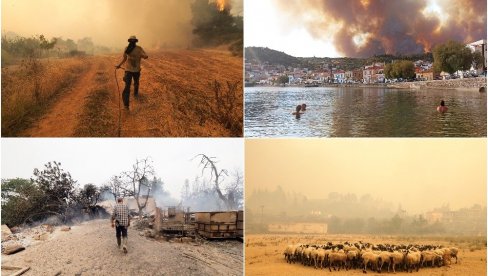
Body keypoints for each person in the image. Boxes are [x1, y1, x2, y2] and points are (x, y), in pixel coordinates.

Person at [116, 35, 148, 110]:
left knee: (136, 83)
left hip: (136, 70)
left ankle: (135, 93)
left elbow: (145, 56)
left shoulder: (139, 48)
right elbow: (124, 58)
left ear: (135, 42)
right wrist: (119, 65)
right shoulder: (127, 49)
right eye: (131, 41)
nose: (132, 42)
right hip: (128, 70)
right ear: (129, 41)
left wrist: (144, 56)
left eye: (133, 41)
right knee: (127, 86)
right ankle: (126, 105)